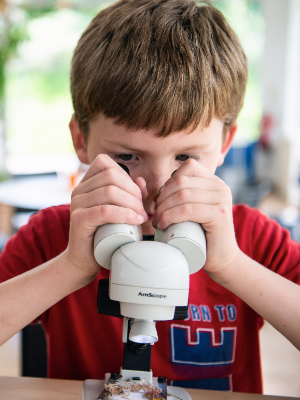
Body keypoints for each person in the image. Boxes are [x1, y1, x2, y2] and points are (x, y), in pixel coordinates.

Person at [0, 0, 299, 393]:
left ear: (225, 141)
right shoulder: (52, 236)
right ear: (81, 140)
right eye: (127, 156)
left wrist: (231, 264)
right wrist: (71, 266)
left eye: (187, 156)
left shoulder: (254, 238)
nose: (156, 186)